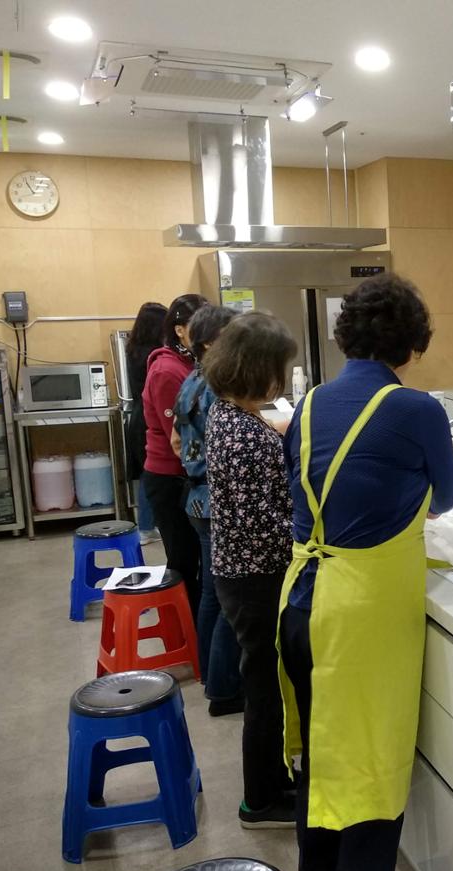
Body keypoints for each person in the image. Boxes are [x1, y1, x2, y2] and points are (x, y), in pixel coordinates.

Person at [278, 273, 453, 871]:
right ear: (412, 344)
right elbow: (449, 495)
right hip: (360, 619)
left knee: (320, 762)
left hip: (300, 601)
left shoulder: (309, 404)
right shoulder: (416, 408)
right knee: (367, 772)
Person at [202, 312, 299, 829]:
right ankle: (260, 801)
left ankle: (275, 780)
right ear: (260, 368)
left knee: (265, 682)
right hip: (255, 577)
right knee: (264, 689)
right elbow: (261, 526)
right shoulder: (242, 434)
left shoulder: (230, 413)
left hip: (240, 569)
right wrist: (311, 532)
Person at [173, 305, 243, 717]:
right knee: (227, 597)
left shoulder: (191, 381)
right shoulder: (217, 387)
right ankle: (223, 686)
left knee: (212, 593)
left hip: (197, 499)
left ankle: (209, 673)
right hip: (216, 499)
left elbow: (178, 440)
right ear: (207, 344)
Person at [142, 292, 208, 615]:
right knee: (183, 561)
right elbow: (179, 439)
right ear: (179, 329)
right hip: (170, 477)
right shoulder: (167, 371)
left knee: (197, 558)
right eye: (199, 326)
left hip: (185, 474)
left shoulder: (190, 363)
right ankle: (186, 633)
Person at [124, 301, 167, 545]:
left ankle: (148, 525)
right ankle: (146, 527)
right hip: (149, 418)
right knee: (151, 474)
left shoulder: (133, 350)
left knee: (147, 473)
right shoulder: (154, 355)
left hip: (139, 416)